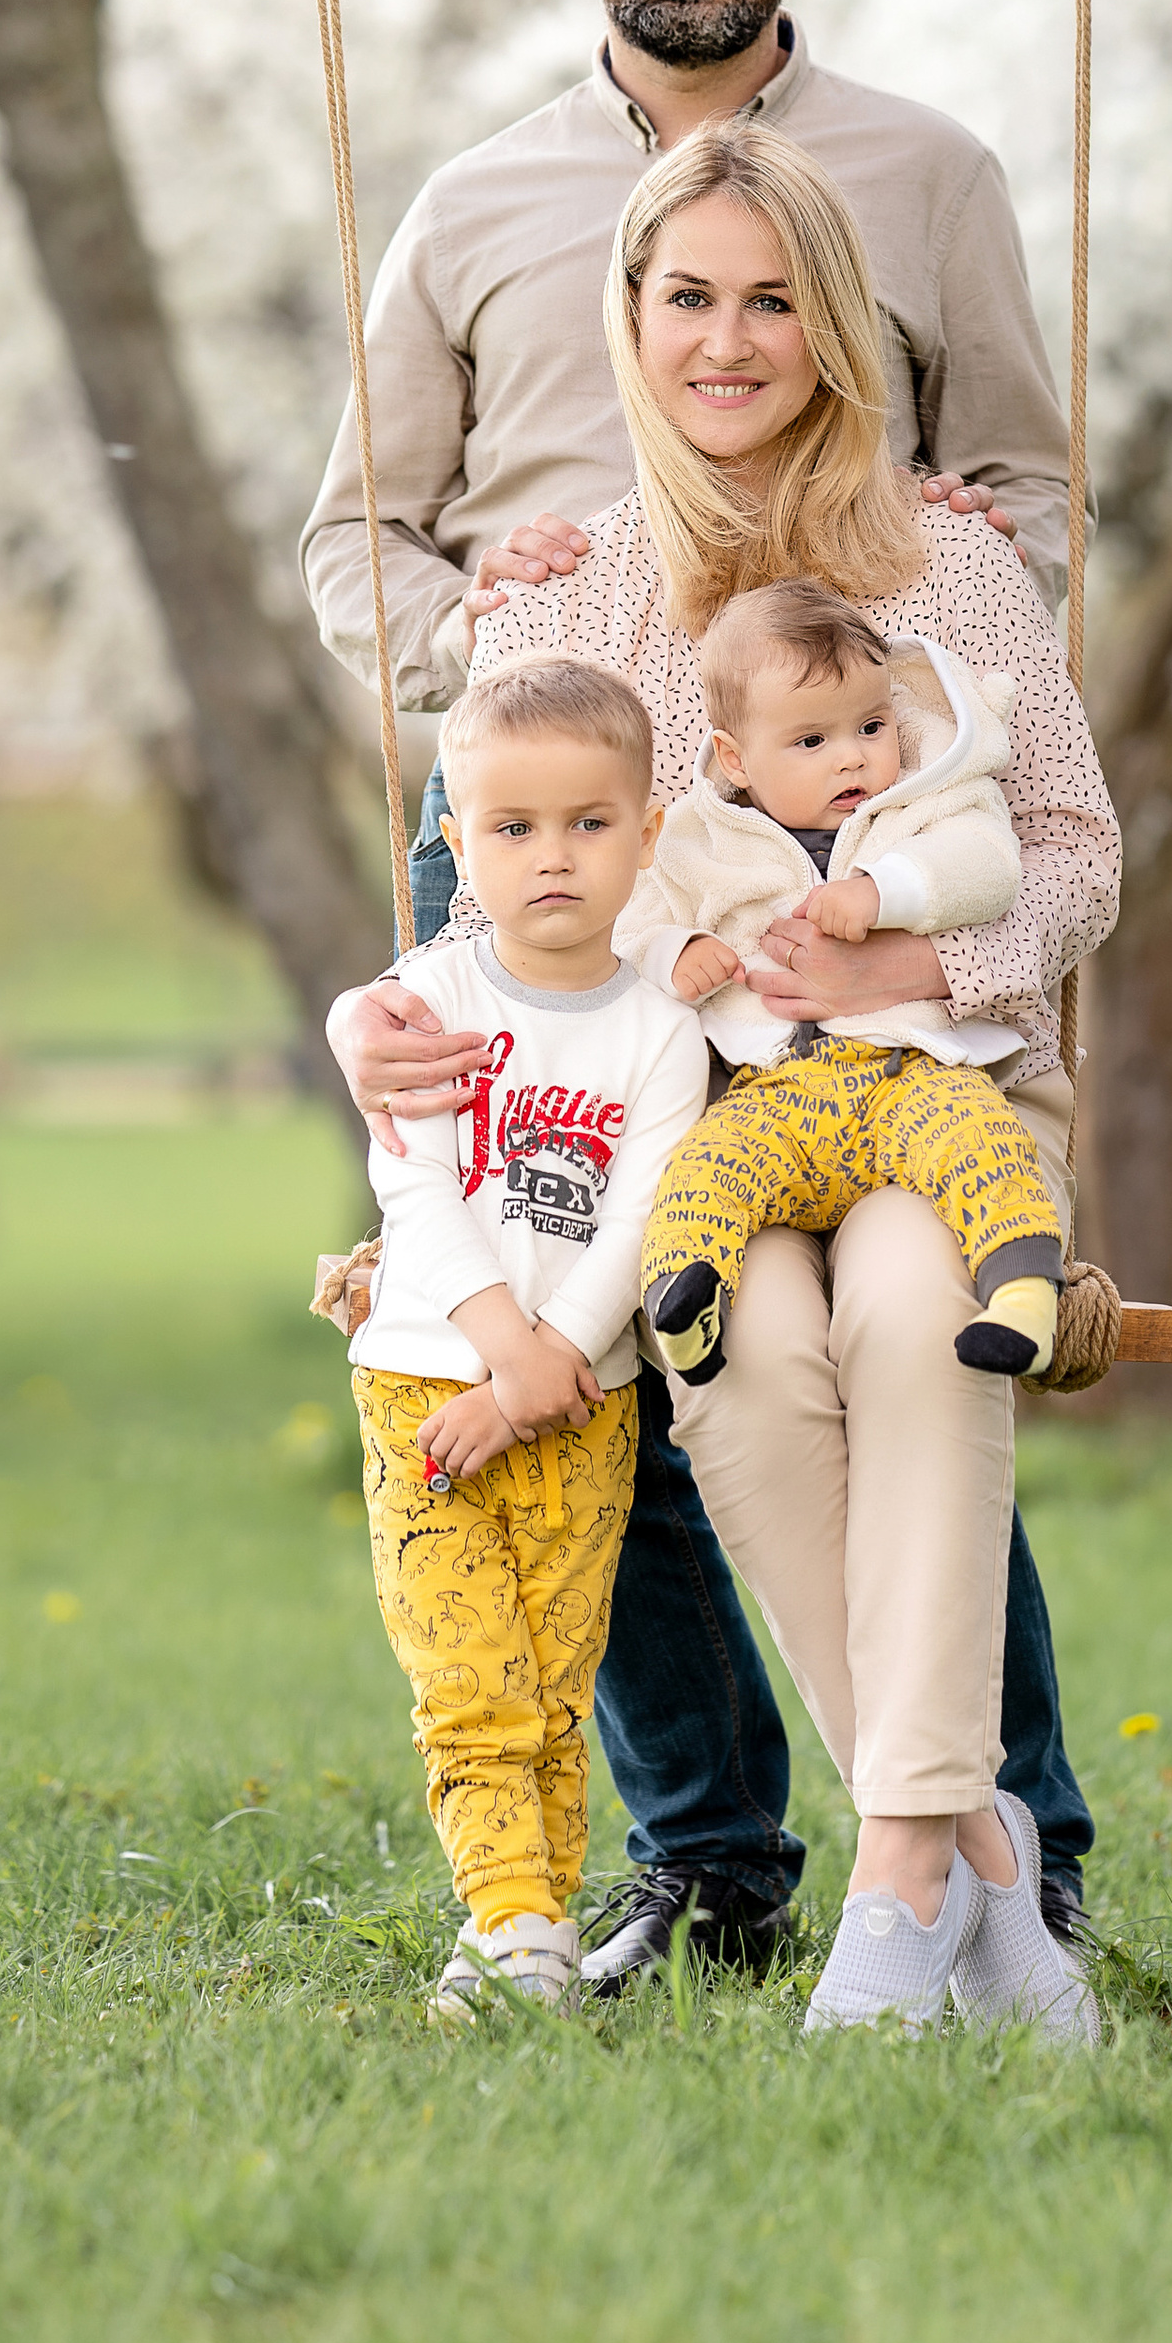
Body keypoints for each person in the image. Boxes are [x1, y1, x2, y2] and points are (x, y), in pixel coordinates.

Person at [309, 0, 1097, 1987]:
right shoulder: (471, 206)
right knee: (596, 1365)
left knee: (892, 1321)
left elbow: (1034, 489)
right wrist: (504, 651)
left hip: (850, 847)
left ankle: (999, 1832)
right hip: (564, 848)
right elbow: (351, 536)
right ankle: (714, 1851)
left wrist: (944, 604)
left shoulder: (923, 176)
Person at [436, 121, 1114, 2037]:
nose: (729, 341)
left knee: (914, 1317)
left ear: (835, 320)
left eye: (772, 298)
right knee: (739, 1349)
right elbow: (520, 892)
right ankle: (975, 1852)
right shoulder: (568, 597)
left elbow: (1076, 852)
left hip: (947, 1094)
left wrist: (916, 954)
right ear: (628, 317)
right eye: (686, 298)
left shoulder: (951, 566)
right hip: (712, 1119)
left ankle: (904, 1867)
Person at [345, 654, 708, 2020]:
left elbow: (639, 1223)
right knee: (467, 1669)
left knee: (554, 1677)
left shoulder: (661, 1035)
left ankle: (538, 1933)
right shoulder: (433, 1003)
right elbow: (415, 1185)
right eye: (512, 829)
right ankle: (507, 1918)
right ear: (454, 843)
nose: (552, 858)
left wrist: (543, 1373)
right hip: (426, 1385)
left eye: (588, 824)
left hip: (584, 1404)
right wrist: (504, 1359)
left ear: (647, 836)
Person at [624, 578, 1065, 1387]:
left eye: (870, 725)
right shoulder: (699, 836)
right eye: (811, 742)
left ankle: (1023, 1296)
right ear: (736, 759)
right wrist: (675, 949)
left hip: (912, 1076)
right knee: (705, 1169)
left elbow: (989, 868)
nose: (853, 756)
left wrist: (885, 890)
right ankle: (686, 1301)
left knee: (984, 1145)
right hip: (772, 1095)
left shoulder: (929, 802)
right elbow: (635, 914)